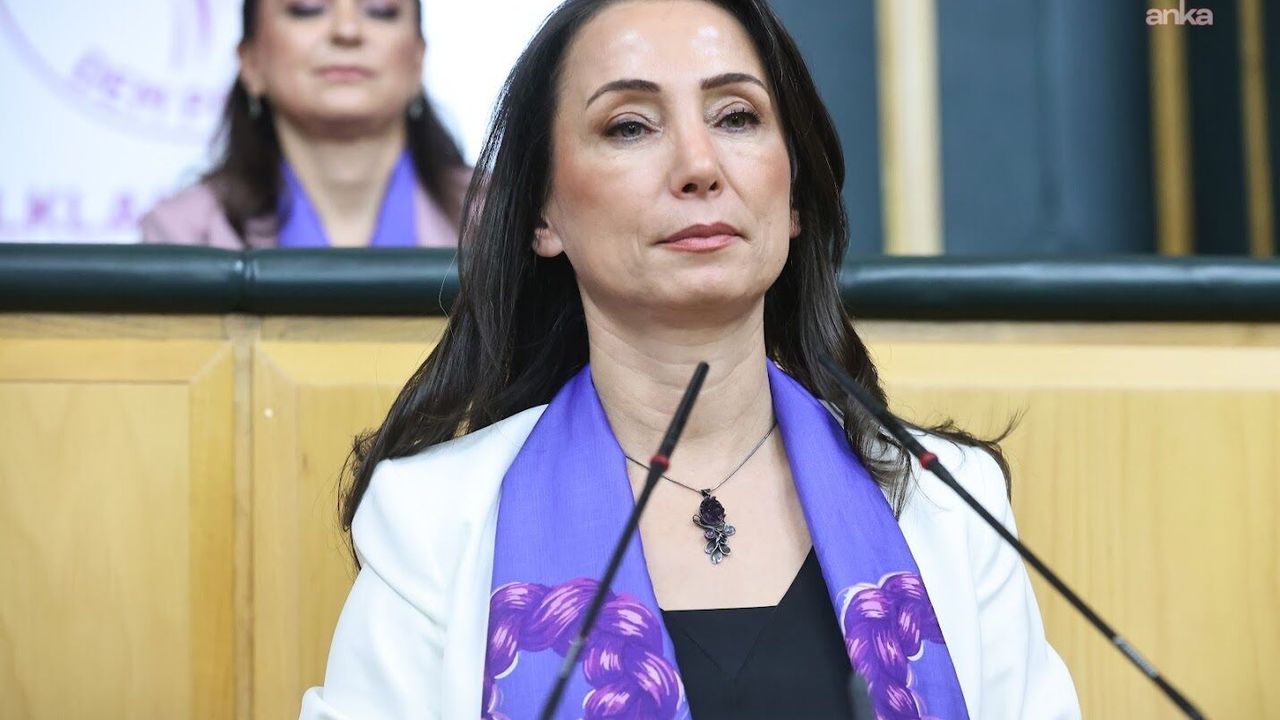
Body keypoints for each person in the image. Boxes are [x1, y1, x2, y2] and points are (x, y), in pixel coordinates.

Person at [301, 0, 1081, 718]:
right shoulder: (433, 523)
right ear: (543, 213)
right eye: (630, 127)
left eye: (737, 116)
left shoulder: (948, 505)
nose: (699, 165)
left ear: (794, 193)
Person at [141, 0, 469, 249]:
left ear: (418, 60)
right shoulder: (180, 234)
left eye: (380, 10)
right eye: (307, 9)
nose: (347, 31)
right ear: (250, 61)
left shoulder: (492, 219)